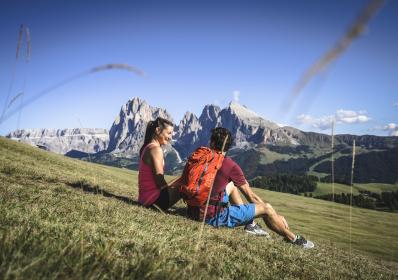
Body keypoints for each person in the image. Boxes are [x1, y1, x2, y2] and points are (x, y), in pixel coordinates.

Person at [187, 127, 314, 248]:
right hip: (211, 217)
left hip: (193, 210)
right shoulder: (230, 165)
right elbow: (251, 196)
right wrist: (274, 215)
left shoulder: (201, 157)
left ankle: (250, 224)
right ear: (229, 146)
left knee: (231, 186)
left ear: (212, 142)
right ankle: (294, 238)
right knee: (267, 208)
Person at [138, 117, 181, 211]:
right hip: (153, 200)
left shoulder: (147, 147)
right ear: (158, 130)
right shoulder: (156, 149)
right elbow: (159, 180)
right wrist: (171, 191)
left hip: (144, 199)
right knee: (185, 182)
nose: (170, 137)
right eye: (169, 133)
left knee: (180, 180)